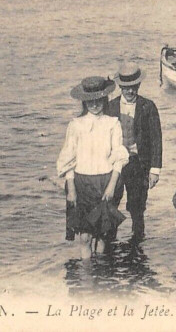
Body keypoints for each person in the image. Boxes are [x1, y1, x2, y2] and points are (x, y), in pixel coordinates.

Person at [57, 76, 129, 257]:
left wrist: (111, 186)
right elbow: (69, 158)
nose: (95, 105)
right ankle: (87, 271)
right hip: (82, 184)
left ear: (104, 99)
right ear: (84, 102)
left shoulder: (113, 123)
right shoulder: (76, 125)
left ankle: (101, 270)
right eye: (90, 101)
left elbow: (119, 158)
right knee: (85, 237)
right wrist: (71, 189)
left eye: (98, 100)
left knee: (103, 235)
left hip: (106, 181)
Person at [106, 63, 162, 242]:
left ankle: (137, 244)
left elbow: (156, 139)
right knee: (111, 202)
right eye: (126, 87)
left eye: (134, 87)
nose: (130, 91)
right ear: (120, 87)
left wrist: (155, 170)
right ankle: (110, 241)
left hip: (138, 163)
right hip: (114, 164)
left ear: (139, 85)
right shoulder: (110, 107)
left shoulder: (148, 106)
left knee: (137, 207)